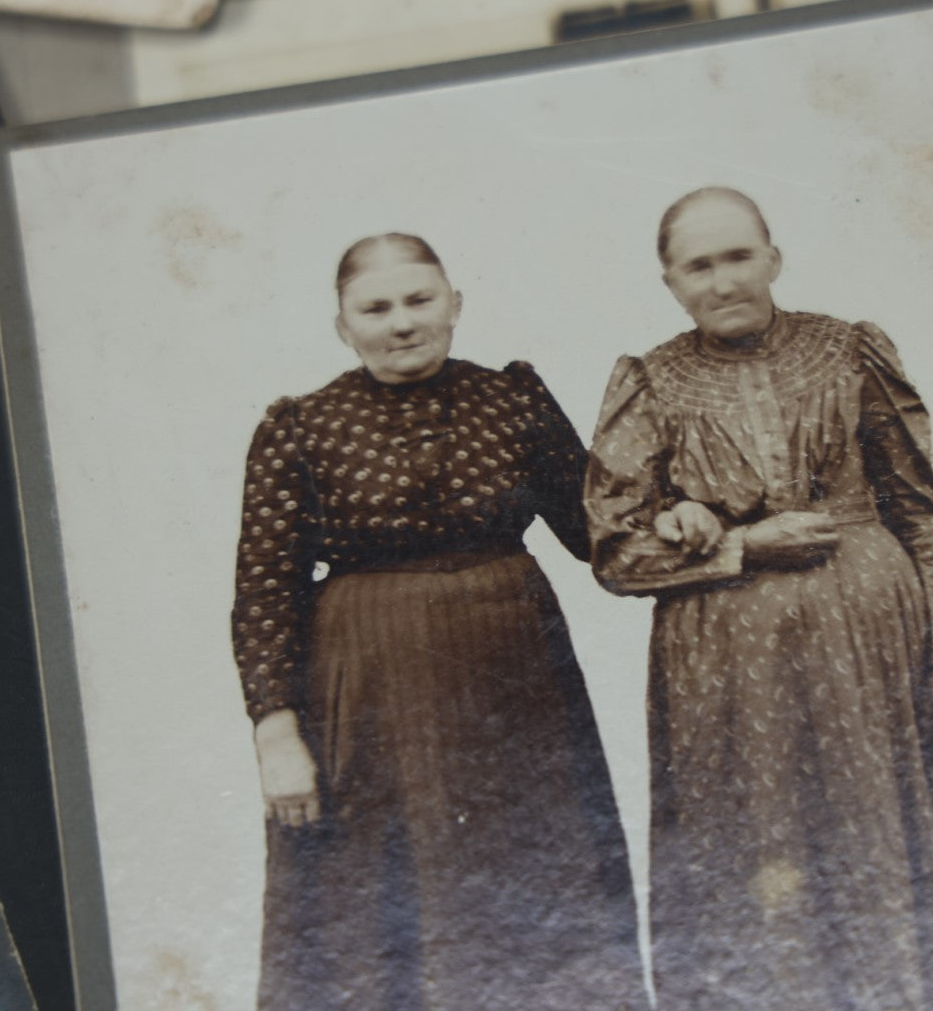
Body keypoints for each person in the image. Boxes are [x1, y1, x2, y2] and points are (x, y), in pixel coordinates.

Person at [585, 187, 933, 1009]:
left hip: (875, 657)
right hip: (732, 685)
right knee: (760, 867)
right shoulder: (653, 382)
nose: (722, 281)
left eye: (738, 256)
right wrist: (741, 544)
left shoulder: (846, 351)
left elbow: (920, 519)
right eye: (698, 266)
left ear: (773, 258)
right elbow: (614, 554)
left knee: (904, 849)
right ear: (669, 281)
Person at [232, 233, 644, 1010]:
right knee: (379, 903)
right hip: (372, 699)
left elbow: (601, 531)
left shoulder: (511, 398)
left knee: (539, 887)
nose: (400, 322)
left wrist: (696, 521)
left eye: (419, 300)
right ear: (342, 325)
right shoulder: (300, 429)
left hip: (518, 692)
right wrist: (274, 731)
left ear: (455, 304)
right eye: (375, 308)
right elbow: (262, 592)